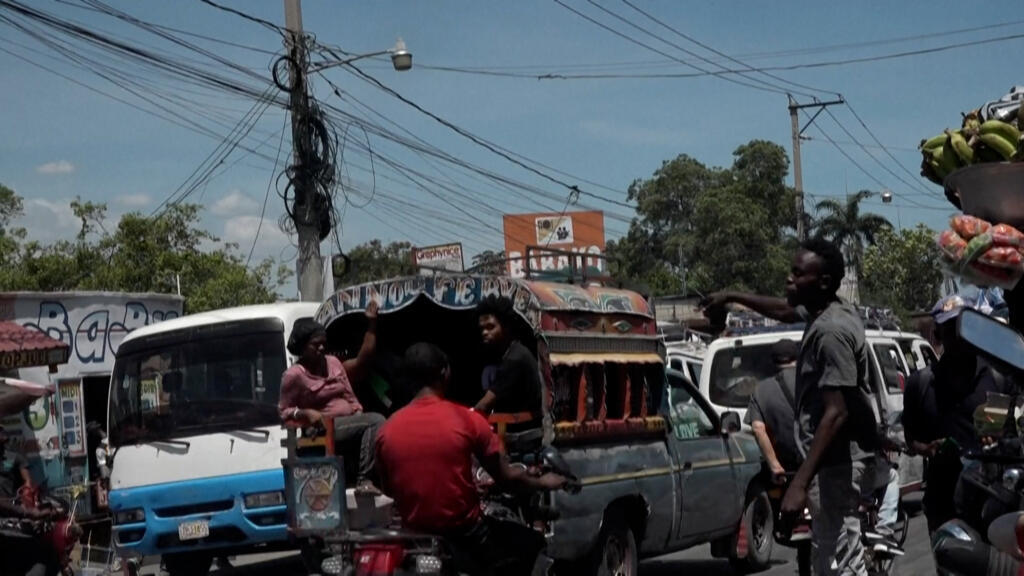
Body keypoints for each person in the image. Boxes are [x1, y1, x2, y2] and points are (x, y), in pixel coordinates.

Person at [704, 238, 882, 576]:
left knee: (839, 564)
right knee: (829, 560)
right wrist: (731, 296)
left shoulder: (830, 332)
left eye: (798, 274)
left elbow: (836, 412)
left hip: (837, 465)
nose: (789, 278)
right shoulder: (825, 311)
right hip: (832, 463)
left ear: (823, 282)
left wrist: (799, 483)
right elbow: (783, 310)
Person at [375, 343, 568, 575]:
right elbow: (507, 479)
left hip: (414, 538)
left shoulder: (386, 430)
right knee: (532, 544)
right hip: (466, 534)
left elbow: (389, 489)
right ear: (445, 372)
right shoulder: (467, 420)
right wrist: (544, 482)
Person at [279, 302, 385, 494]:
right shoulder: (294, 375)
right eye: (315, 344)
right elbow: (284, 412)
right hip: (322, 428)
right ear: (303, 347)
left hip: (347, 422)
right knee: (375, 421)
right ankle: (364, 480)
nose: (321, 348)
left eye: (323, 343)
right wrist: (305, 413)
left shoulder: (333, 363)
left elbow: (349, 395)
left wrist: (357, 411)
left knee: (375, 423)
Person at [0, 426, 59, 576]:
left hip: (11, 514)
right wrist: (27, 512)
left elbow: (27, 483)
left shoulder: (15, 458)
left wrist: (27, 497)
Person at [473, 296, 542, 420]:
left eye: (490, 327)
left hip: (524, 430)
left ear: (506, 327)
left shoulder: (515, 359)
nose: (484, 332)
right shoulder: (510, 353)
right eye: (482, 328)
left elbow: (484, 405)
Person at [745, 339, 801, 485]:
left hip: (788, 470)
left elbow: (758, 429)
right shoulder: (813, 382)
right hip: (819, 465)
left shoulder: (761, 390)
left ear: (773, 362)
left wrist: (775, 466)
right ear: (797, 357)